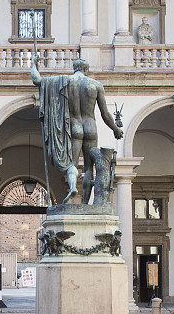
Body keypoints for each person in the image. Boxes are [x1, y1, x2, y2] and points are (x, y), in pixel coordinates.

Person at [31, 55, 123, 204]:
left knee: (72, 163)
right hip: (90, 126)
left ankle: (73, 186)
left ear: (74, 69)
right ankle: (85, 204)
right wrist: (115, 130)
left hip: (74, 127)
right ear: (86, 69)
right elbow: (105, 114)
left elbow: (37, 80)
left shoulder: (65, 82)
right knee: (88, 167)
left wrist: (33, 64)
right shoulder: (96, 85)